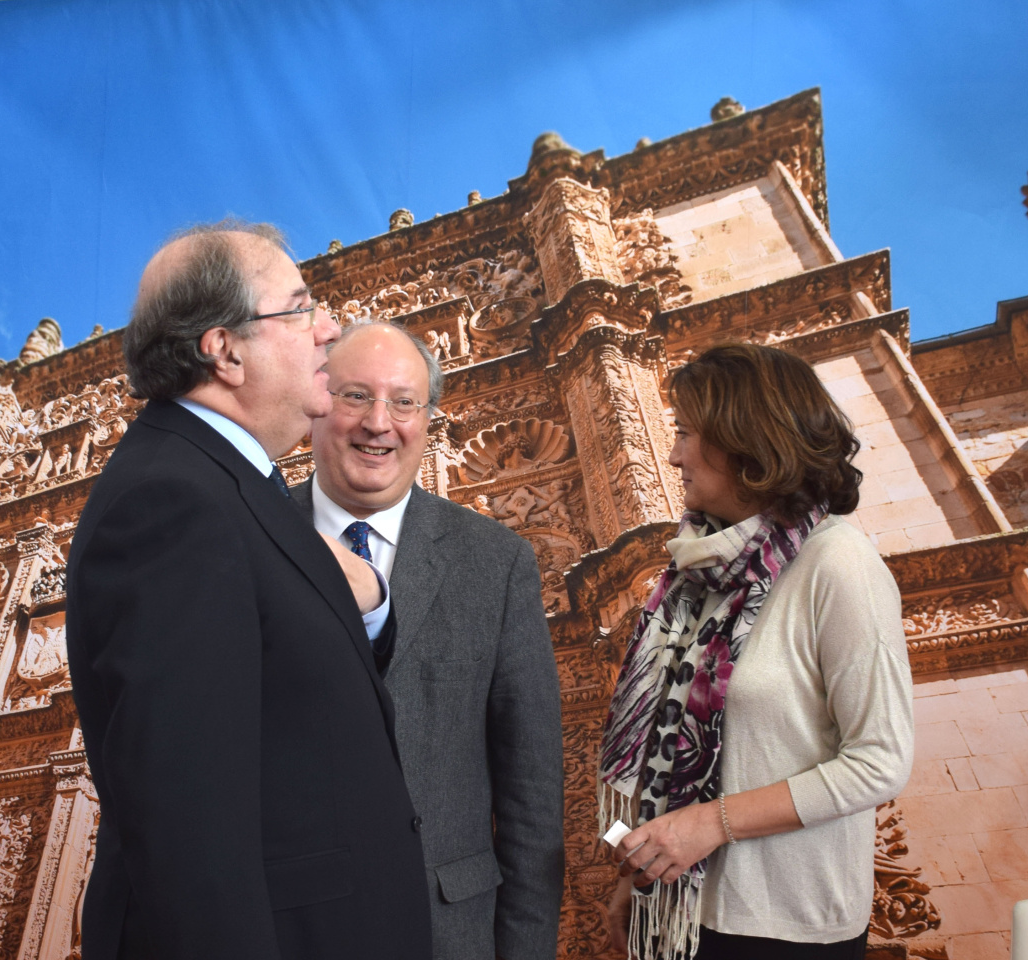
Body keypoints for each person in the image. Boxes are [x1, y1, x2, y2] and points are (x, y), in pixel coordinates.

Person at [65, 222, 432, 960]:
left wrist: (365, 592)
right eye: (299, 308)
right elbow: (186, 827)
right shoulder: (171, 499)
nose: (331, 327)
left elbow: (297, 687)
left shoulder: (234, 486)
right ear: (224, 350)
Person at [599, 343, 914, 960]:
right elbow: (667, 741)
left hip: (782, 928)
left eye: (687, 433)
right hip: (676, 915)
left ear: (745, 439)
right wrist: (633, 877)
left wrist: (707, 824)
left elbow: (880, 759)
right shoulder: (691, 579)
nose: (674, 454)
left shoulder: (836, 563)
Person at [293, 322, 564, 960]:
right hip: (283, 929)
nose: (378, 423)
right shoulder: (244, 540)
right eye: (355, 396)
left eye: (404, 402)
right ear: (315, 403)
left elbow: (531, 795)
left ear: (429, 419)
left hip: (448, 933)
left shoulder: (495, 562)